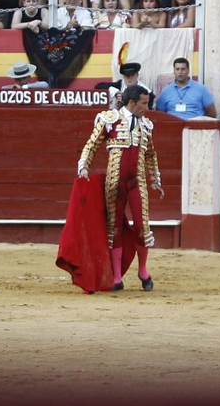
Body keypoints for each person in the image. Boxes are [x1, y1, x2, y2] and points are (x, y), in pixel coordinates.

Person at [64, 83, 162, 293]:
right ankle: (116, 277)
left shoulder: (146, 125)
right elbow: (92, 144)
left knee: (142, 227)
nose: (147, 108)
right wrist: (84, 167)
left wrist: (155, 179)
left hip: (137, 182)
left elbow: (150, 154)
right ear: (132, 102)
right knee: (114, 228)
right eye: (144, 103)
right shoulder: (110, 119)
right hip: (114, 182)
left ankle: (143, 270)